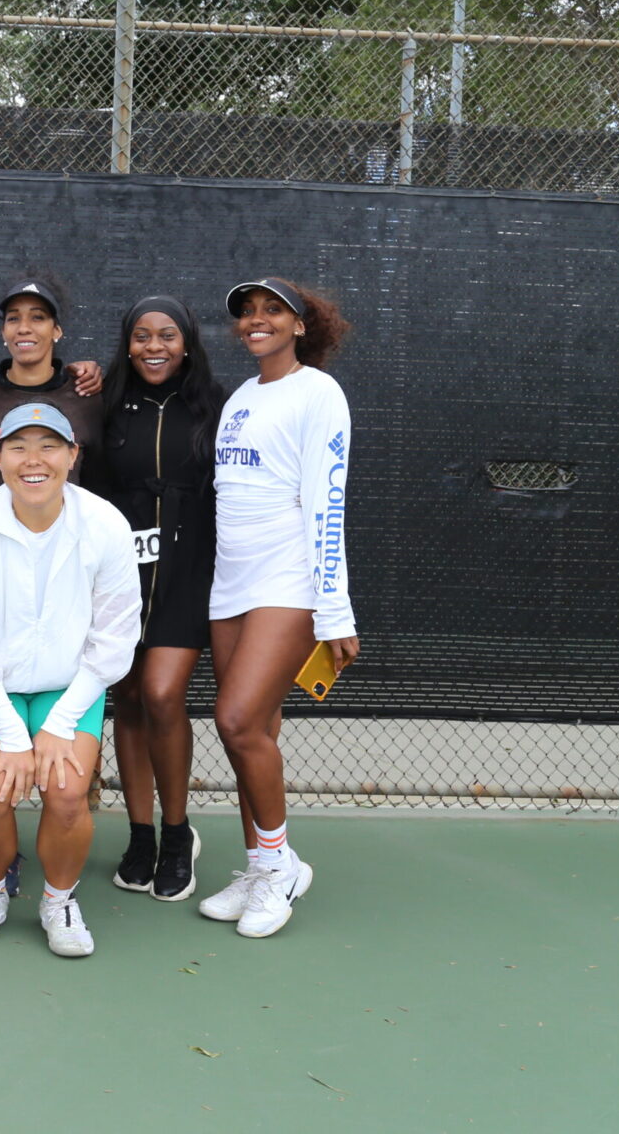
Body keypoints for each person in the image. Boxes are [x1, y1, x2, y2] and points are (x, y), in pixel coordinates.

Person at [0, 402, 139, 957]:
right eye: (18, 447)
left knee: (69, 794)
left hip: (68, 687)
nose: (34, 460)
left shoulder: (106, 525)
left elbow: (115, 638)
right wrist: (12, 734)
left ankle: (59, 900)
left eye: (48, 446)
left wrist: (60, 722)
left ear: (72, 456)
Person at [199, 278, 358, 939]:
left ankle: (276, 871)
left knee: (235, 720)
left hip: (288, 582)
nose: (255, 320)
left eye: (272, 311)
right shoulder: (241, 397)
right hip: (230, 586)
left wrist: (335, 611)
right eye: (247, 312)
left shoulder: (318, 392)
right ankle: (266, 863)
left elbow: (327, 501)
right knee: (254, 733)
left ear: (301, 325)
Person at [90, 296, 225, 903]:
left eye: (166, 335)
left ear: (187, 343)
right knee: (126, 697)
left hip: (188, 570)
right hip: (121, 574)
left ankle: (177, 833)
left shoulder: (217, 406)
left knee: (163, 693)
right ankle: (140, 834)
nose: (154, 347)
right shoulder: (105, 403)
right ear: (127, 344)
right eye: (141, 335)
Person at [0, 276, 104, 504]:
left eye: (37, 317)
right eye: (13, 318)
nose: (24, 328)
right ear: (3, 331)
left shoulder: (83, 396)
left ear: (56, 330)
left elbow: (100, 486)